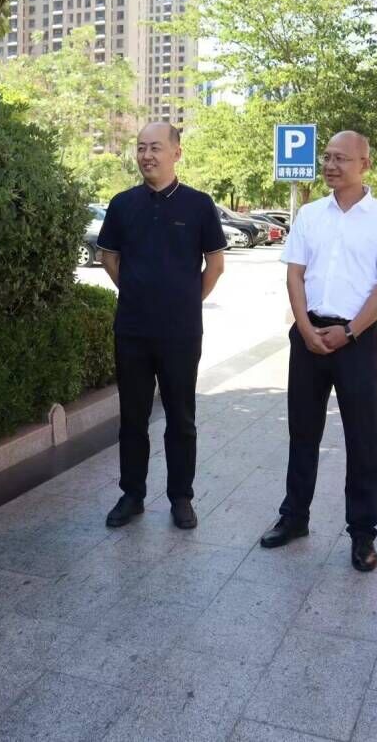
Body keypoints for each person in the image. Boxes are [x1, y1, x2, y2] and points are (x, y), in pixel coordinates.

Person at [259, 131, 377, 572]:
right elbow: (294, 274)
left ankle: (362, 534)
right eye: (326, 157)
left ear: (365, 164)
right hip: (308, 335)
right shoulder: (309, 215)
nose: (330, 165)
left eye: (341, 158)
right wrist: (305, 328)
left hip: (356, 340)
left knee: (361, 438)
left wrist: (349, 331)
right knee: (302, 432)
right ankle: (294, 518)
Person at [97, 122, 226, 530]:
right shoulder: (122, 204)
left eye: (155, 147)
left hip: (181, 332)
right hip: (132, 329)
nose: (146, 155)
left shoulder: (199, 205)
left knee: (181, 418)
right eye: (140, 148)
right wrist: (136, 291)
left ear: (176, 153)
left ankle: (181, 497)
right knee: (132, 417)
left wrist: (185, 300)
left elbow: (215, 264)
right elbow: (109, 258)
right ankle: (132, 494)